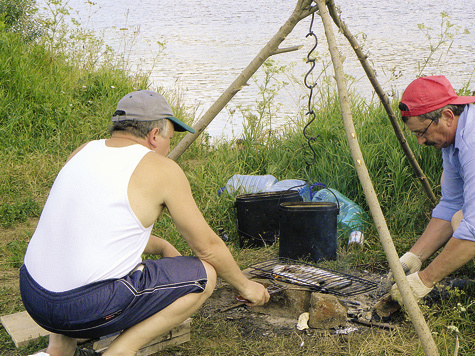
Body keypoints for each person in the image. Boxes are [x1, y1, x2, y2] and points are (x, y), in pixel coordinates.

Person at [20, 89, 270, 356]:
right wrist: (247, 287)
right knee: (205, 274)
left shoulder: (83, 151)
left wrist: (161, 245)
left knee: (66, 259)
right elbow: (207, 247)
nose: (168, 147)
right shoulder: (161, 169)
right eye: (169, 139)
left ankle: (57, 349)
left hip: (34, 296)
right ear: (154, 135)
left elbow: (89, 228)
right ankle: (120, 352)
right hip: (86, 307)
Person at [391, 75, 475, 303]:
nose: (420, 141)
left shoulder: (472, 141)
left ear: (447, 115)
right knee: (459, 216)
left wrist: (424, 280)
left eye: (422, 132)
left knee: (466, 223)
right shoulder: (452, 140)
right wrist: (412, 259)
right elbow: (451, 204)